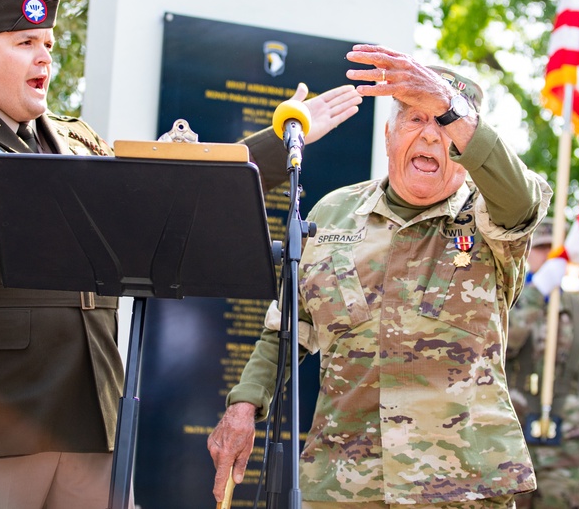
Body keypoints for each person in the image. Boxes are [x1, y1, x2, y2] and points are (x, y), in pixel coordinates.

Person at [0, 0, 362, 508]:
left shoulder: (77, 141)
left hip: (91, 421)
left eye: (48, 45)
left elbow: (176, 197)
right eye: (25, 43)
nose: (44, 58)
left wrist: (283, 136)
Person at [208, 43, 552, 508]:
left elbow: (522, 203)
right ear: (389, 133)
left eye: (446, 124)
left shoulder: (491, 214)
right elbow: (289, 328)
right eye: (416, 119)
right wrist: (244, 405)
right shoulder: (334, 213)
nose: (431, 136)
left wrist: (447, 105)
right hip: (343, 483)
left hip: (461, 487)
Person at [505, 220, 579, 509]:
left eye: (557, 251)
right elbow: (502, 346)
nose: (550, 258)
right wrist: (535, 292)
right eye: (541, 249)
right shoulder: (506, 306)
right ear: (527, 253)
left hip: (569, 453)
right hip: (511, 447)